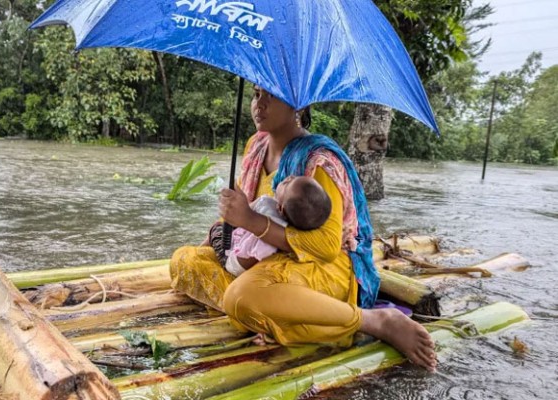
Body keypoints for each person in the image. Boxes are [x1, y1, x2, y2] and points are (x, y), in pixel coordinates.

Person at [170, 85, 437, 371]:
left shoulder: (319, 162)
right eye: (256, 94)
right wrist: (216, 239)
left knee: (241, 298)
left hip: (319, 268)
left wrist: (252, 221)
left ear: (298, 106)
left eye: (271, 96)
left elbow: (326, 247)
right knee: (184, 261)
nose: (259, 104)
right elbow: (236, 219)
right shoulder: (255, 147)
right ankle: (276, 316)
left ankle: (372, 321)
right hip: (262, 261)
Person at [209, 176, 332, 277]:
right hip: (240, 254)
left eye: (287, 184)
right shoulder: (290, 229)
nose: (289, 177)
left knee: (216, 229)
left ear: (280, 209)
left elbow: (247, 261)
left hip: (233, 263)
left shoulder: (268, 213)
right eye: (295, 177)